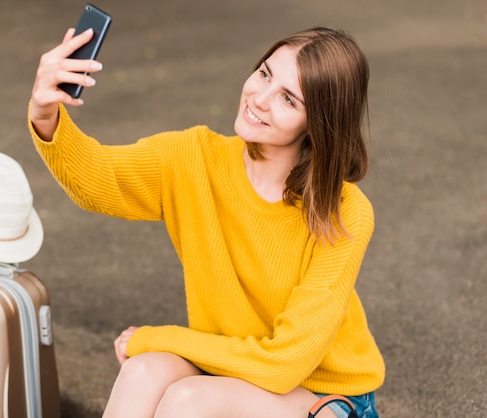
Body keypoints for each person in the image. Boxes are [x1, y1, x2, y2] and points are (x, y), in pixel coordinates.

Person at [28, 26, 385, 418]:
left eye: (287, 98)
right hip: (233, 370)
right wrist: (45, 113)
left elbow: (283, 363)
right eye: (265, 74)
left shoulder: (344, 211)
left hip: (325, 395)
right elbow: (98, 180)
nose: (259, 99)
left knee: (189, 400)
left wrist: (157, 338)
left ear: (318, 123)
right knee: (142, 371)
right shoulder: (194, 157)